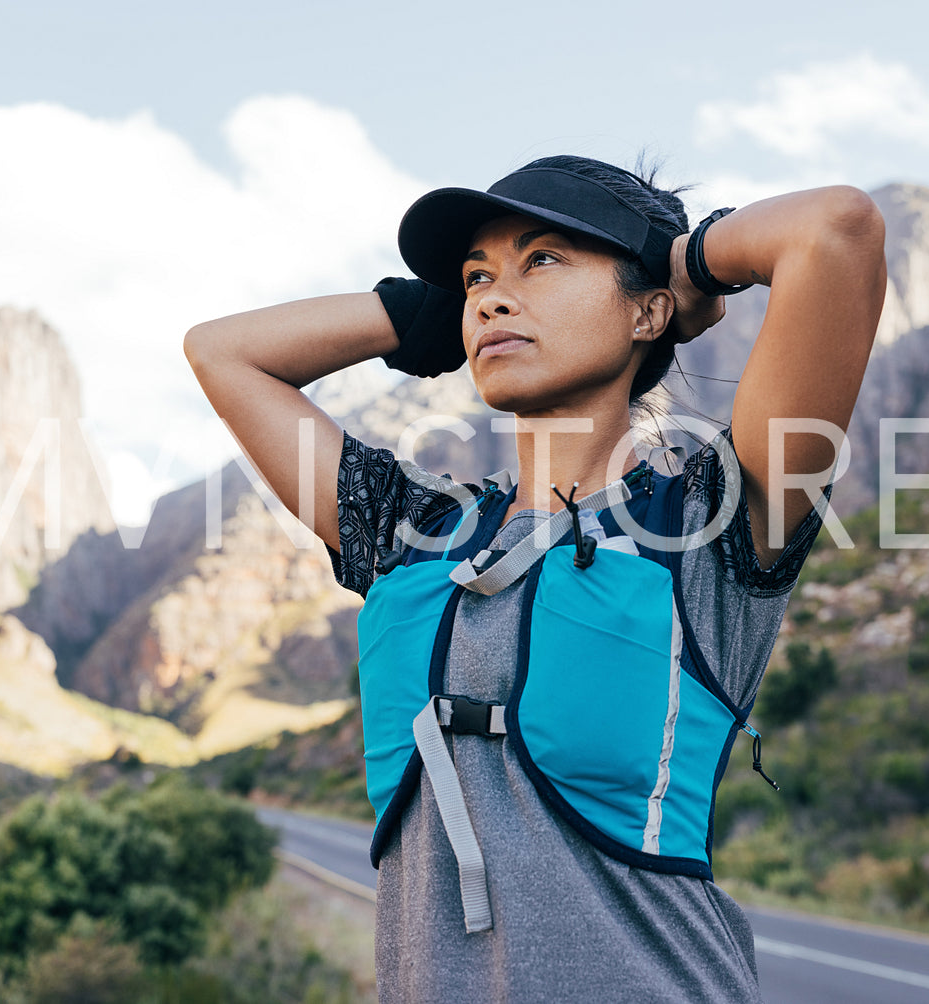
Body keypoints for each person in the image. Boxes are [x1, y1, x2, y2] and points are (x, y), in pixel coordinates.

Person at [184, 155, 886, 1002]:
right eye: (476, 276)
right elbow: (222, 353)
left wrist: (686, 263)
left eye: (543, 259)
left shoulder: (711, 524)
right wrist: (428, 318)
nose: (491, 295)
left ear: (646, 311)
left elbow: (834, 228)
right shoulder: (408, 534)